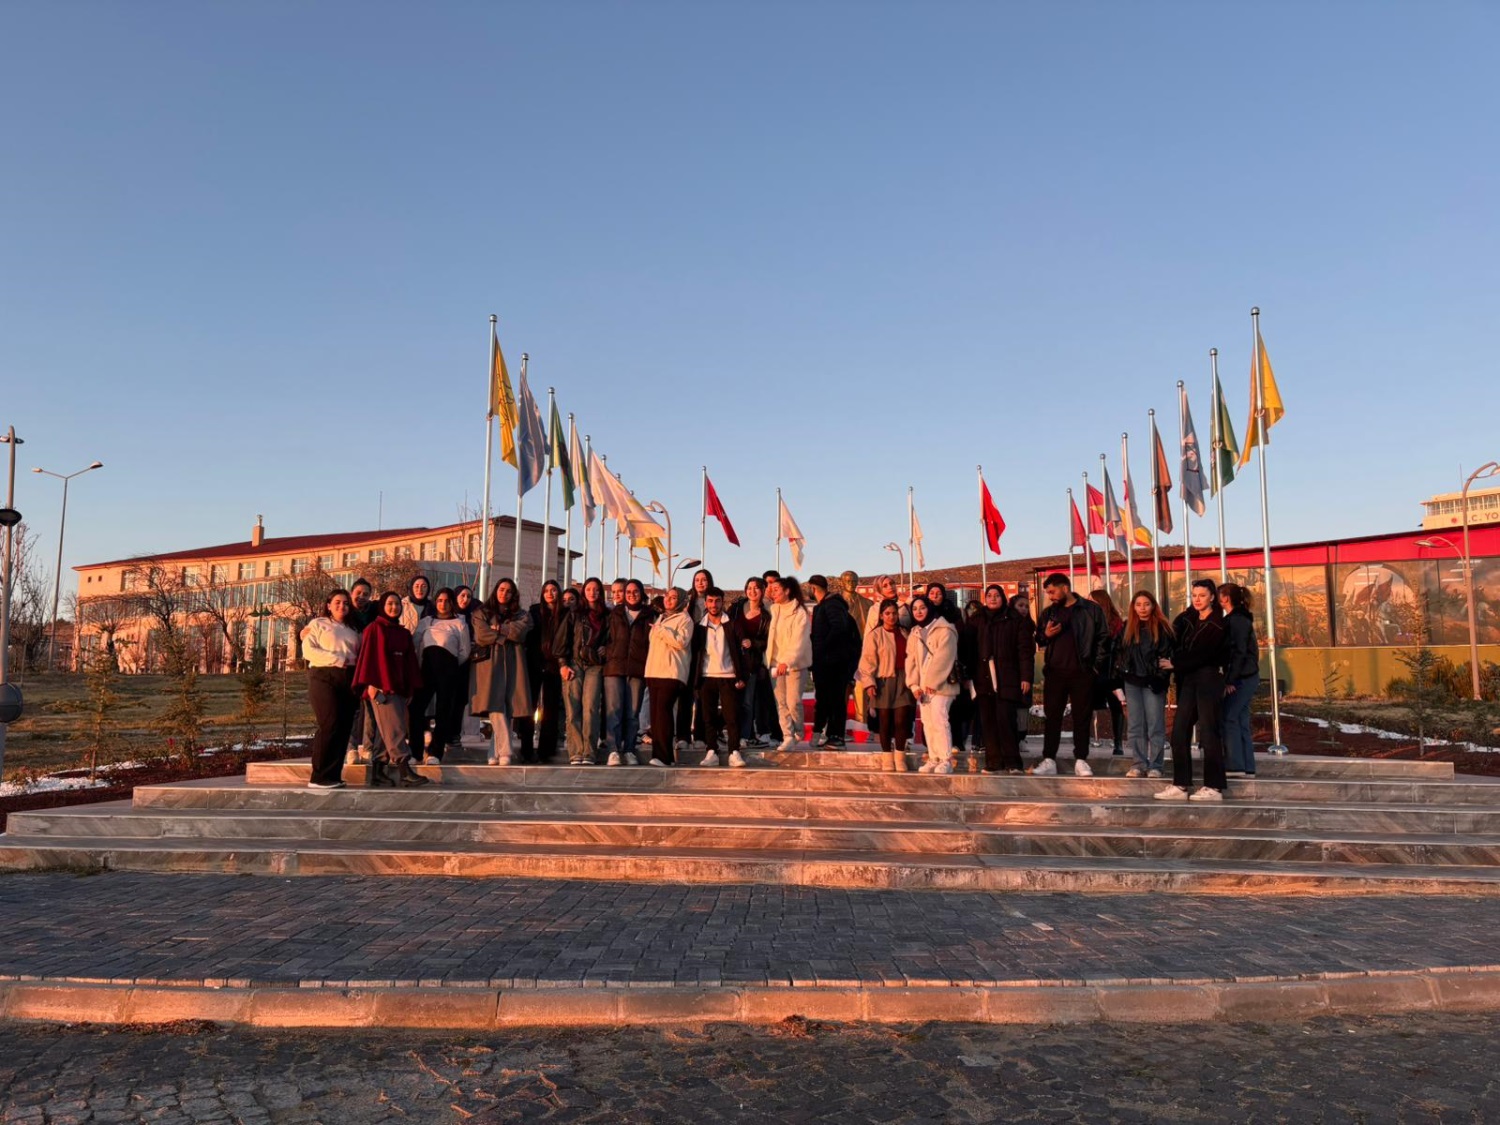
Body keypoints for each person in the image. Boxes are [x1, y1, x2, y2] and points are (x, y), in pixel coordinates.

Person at [1155, 578, 1230, 802]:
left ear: (1212, 597)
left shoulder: (1219, 624)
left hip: (1209, 679)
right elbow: (1173, 637)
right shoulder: (1188, 619)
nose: (1197, 599)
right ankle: (1181, 784)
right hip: (1188, 679)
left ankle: (1214, 787)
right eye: (1194, 595)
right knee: (1179, 732)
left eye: (1202, 595)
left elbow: (1205, 653)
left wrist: (1175, 663)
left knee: (1209, 733)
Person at [1033, 573, 1109, 777]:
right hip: (1055, 673)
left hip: (1082, 672)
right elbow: (1039, 638)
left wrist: (1094, 667)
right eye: (1048, 593)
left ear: (1065, 588)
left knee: (1082, 717)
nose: (1050, 596)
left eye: (1052, 592)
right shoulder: (1049, 613)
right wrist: (1046, 635)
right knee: (1052, 717)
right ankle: (1049, 759)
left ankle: (1081, 760)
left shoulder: (1090, 610)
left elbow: (1103, 638)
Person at [351, 591, 428, 787]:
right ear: (382, 606)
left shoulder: (403, 633)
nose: (394, 607)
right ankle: (404, 770)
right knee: (396, 728)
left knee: (385, 730)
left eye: (397, 604)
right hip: (381, 688)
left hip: (399, 688)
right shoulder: (374, 629)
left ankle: (378, 772)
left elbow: (409, 663)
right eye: (390, 604)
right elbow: (368, 657)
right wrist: (370, 684)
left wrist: (410, 689)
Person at [962, 585, 1035, 774]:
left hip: (1007, 676)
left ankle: (1013, 763)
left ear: (1003, 598)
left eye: (996, 595)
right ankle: (994, 762)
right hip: (982, 677)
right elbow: (968, 650)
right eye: (989, 595)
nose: (993, 598)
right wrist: (967, 676)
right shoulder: (976, 620)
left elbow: (1025, 651)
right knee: (988, 722)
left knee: (1006, 720)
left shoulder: (1014, 619)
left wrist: (1026, 677)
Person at [301, 589, 362, 789]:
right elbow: (308, 651)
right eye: (337, 602)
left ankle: (334, 775)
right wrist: (338, 659)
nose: (342, 606)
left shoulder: (354, 629)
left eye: (346, 603)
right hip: (323, 676)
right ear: (328, 605)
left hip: (348, 679)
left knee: (344, 727)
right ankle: (319, 777)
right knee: (330, 723)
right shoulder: (317, 624)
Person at [470, 578, 533, 767]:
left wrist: (500, 628)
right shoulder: (481, 612)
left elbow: (521, 632)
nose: (504, 593)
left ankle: (493, 753)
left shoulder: (521, 614)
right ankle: (505, 751)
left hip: (514, 662)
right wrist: (505, 635)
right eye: (501, 589)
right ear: (495, 590)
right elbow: (482, 635)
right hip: (489, 663)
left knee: (507, 706)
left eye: (508, 591)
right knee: (495, 706)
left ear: (513, 594)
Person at [410, 587, 473, 764]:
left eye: (446, 601)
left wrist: (450, 665)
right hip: (426, 668)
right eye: (439, 600)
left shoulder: (460, 623)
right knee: (415, 709)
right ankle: (415, 752)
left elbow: (464, 651)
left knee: (444, 711)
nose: (443, 604)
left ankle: (435, 752)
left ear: (452, 603)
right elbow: (416, 644)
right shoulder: (426, 622)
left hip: (449, 669)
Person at [1116, 590, 1175, 778]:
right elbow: (1119, 653)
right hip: (1132, 681)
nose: (1142, 608)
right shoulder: (1127, 628)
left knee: (1155, 724)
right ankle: (1138, 764)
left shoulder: (1162, 628)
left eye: (1146, 604)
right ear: (1133, 607)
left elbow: (1167, 656)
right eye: (1138, 604)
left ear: (1153, 606)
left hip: (1153, 682)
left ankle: (1156, 765)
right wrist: (1122, 673)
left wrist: (1159, 678)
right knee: (1135, 725)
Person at [691, 587, 749, 768]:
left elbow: (743, 652)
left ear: (722, 602)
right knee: (707, 717)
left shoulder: (732, 624)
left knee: (732, 716)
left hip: (729, 676)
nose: (713, 605)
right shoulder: (699, 627)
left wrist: (742, 677)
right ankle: (711, 751)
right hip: (706, 676)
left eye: (717, 601)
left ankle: (734, 752)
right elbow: (695, 655)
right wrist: (694, 681)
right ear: (705, 603)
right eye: (710, 601)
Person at [854, 598, 914, 771]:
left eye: (894, 613)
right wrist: (869, 683)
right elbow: (867, 661)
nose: (891, 617)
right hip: (883, 680)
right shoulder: (875, 635)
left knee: (902, 720)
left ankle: (900, 756)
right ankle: (887, 757)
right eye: (887, 613)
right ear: (881, 616)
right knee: (885, 721)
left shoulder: (905, 632)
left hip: (904, 680)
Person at [905, 594, 960, 773]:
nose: (918, 612)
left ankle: (945, 759)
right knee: (927, 722)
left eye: (922, 607)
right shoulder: (914, 632)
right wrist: (914, 685)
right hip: (923, 687)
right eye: (914, 609)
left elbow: (944, 657)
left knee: (939, 719)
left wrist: (933, 681)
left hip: (942, 686)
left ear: (929, 609)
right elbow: (911, 660)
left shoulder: (945, 629)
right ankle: (934, 757)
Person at [518, 580, 571, 764]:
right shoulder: (534, 611)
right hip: (533, 663)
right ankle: (526, 751)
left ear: (558, 592)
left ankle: (545, 752)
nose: (550, 593)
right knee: (529, 707)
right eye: (546, 590)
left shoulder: (565, 613)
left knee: (551, 709)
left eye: (553, 590)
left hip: (554, 665)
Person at [604, 578, 654, 765]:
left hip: (637, 669)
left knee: (633, 713)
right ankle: (613, 750)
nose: (632, 595)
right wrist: (607, 652)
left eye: (636, 591)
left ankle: (630, 749)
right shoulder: (615, 613)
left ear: (642, 594)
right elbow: (605, 636)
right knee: (614, 711)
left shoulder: (650, 615)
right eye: (628, 592)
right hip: (615, 667)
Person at [644, 587, 694, 766]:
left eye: (674, 597)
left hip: (671, 673)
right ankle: (659, 755)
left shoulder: (685, 619)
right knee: (656, 716)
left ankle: (664, 756)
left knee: (663, 713)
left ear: (681, 601)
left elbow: (681, 642)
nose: (669, 600)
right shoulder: (662, 617)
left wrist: (662, 630)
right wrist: (660, 628)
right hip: (654, 671)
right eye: (667, 596)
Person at [808, 574, 859, 749]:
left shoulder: (832, 605)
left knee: (835, 700)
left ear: (813, 588)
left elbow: (838, 629)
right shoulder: (825, 606)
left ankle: (836, 736)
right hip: (826, 662)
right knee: (825, 699)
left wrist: (822, 650)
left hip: (834, 663)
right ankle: (828, 734)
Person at [765, 576, 813, 752]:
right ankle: (787, 736)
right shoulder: (774, 609)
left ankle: (798, 730)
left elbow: (799, 641)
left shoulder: (800, 613)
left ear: (787, 591)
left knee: (793, 702)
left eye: (777, 589)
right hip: (775, 663)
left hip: (795, 664)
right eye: (772, 589)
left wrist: (787, 661)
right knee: (781, 703)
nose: (773, 592)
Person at [567, 577, 610, 766]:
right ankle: (576, 751)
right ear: (584, 591)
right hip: (575, 663)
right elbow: (564, 639)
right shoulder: (575, 613)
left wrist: (607, 648)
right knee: (573, 708)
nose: (593, 592)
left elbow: (612, 638)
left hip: (595, 664)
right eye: (589, 589)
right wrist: (562, 663)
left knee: (591, 707)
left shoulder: (607, 615)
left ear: (600, 592)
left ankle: (590, 752)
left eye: (596, 589)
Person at [1219, 583, 1261, 778]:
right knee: (1240, 718)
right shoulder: (1241, 619)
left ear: (1225, 598)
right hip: (1247, 676)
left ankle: (1235, 765)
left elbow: (1238, 652)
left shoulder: (1236, 621)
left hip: (1242, 677)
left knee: (1230, 717)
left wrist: (1230, 679)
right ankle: (1247, 766)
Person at [729, 577, 773, 749]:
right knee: (731, 700)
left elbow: (768, 640)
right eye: (749, 587)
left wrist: (753, 643)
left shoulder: (766, 615)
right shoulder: (736, 608)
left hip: (752, 662)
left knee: (748, 701)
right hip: (732, 660)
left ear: (762, 591)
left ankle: (744, 736)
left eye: (756, 588)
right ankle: (731, 733)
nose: (752, 591)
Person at [345, 577, 380, 765]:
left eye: (366, 594)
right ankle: (350, 748)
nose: (362, 597)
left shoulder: (375, 612)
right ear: (351, 593)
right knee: (352, 709)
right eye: (358, 593)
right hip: (350, 665)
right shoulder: (344, 612)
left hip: (369, 665)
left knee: (370, 708)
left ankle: (368, 748)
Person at [1089, 590, 1126, 756]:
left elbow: (1120, 649)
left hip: (1112, 671)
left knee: (1116, 707)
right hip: (1094, 670)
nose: (1088, 603)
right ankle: (1084, 741)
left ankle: (1118, 742)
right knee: (1087, 705)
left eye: (1092, 600)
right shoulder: (1088, 620)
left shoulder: (1116, 623)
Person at [1010, 589, 1035, 745]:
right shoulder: (1009, 625)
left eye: (1026, 606)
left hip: (1024, 672)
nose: (1024, 609)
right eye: (1020, 605)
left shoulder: (1028, 626)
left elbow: (1027, 654)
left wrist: (1026, 676)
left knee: (1023, 706)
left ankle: (1020, 737)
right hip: (1012, 672)